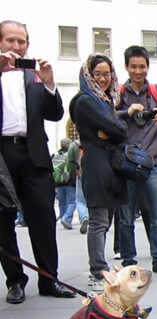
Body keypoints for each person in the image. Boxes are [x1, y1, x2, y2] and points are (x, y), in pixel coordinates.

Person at [0, 20, 75, 303]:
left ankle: (49, 279)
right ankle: (15, 280)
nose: (16, 46)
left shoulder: (33, 78)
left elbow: (55, 114)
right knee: (3, 221)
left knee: (43, 217)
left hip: (34, 154)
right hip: (3, 154)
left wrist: (49, 83)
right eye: (10, 40)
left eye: (21, 41)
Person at [116, 46, 157, 275]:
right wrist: (127, 112)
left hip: (153, 161)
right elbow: (108, 119)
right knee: (125, 217)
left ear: (147, 67)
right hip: (128, 163)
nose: (138, 71)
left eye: (142, 66)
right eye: (133, 66)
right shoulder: (120, 93)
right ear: (126, 67)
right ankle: (128, 261)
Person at [69, 53, 128, 290]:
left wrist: (114, 128)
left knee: (105, 221)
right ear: (88, 75)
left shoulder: (105, 101)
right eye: (97, 74)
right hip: (96, 166)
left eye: (106, 74)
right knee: (98, 220)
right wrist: (115, 129)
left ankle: (100, 267)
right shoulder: (86, 101)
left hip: (108, 165)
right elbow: (120, 129)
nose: (103, 78)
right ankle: (97, 272)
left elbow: (117, 128)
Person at [63, 119, 88, 234]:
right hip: (93, 174)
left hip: (80, 174)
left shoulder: (74, 145)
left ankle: (84, 217)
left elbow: (69, 162)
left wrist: (71, 172)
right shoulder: (91, 141)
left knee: (80, 200)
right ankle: (94, 220)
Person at [53, 137, 75, 228]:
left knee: (62, 203)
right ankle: (66, 218)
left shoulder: (56, 156)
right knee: (73, 201)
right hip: (69, 182)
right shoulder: (69, 155)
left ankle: (63, 218)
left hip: (58, 183)